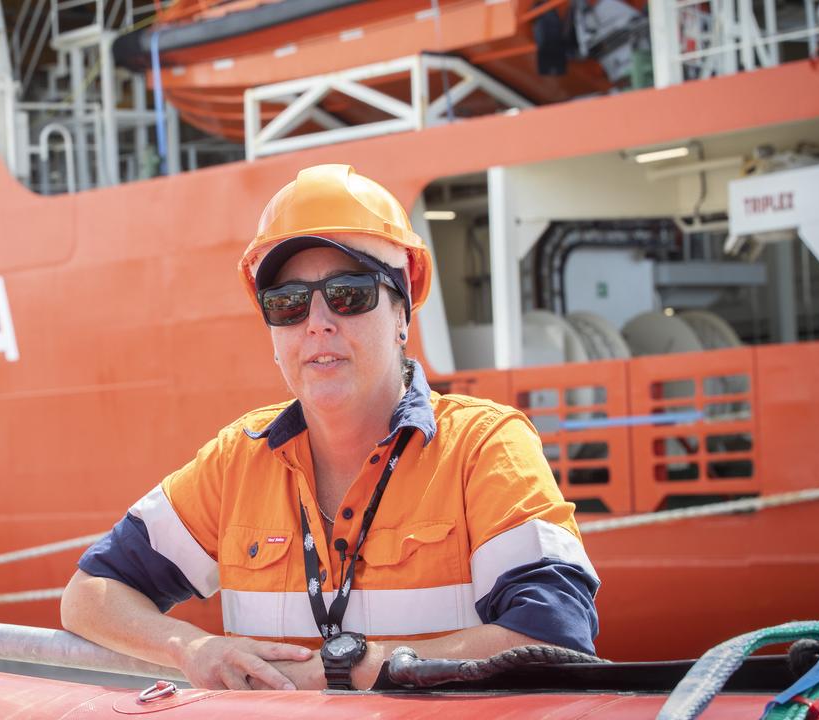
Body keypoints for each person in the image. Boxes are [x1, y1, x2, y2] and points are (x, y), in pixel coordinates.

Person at [60, 164, 600, 692]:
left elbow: (556, 634)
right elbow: (89, 594)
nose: (317, 322)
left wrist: (343, 670)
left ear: (401, 315)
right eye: (289, 304)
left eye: (349, 293)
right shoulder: (236, 462)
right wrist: (191, 647)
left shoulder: (484, 447)